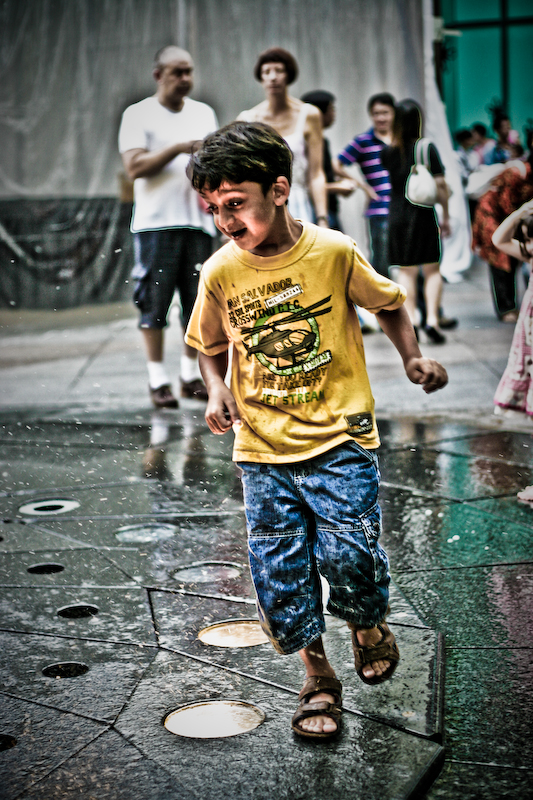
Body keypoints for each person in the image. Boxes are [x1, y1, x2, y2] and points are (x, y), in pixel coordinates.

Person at [184, 121, 448, 739]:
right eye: (213, 209)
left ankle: (366, 623)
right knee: (279, 567)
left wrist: (411, 358)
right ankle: (318, 677)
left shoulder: (331, 251)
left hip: (340, 439)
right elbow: (208, 345)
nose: (224, 220)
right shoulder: (221, 271)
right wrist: (217, 387)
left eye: (235, 205)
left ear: (278, 189)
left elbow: (388, 303)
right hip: (263, 447)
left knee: (348, 551)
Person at [118, 45, 219, 408]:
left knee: (198, 306)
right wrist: (178, 147)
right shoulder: (138, 114)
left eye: (189, 71)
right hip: (155, 224)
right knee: (154, 302)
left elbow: (214, 163)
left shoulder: (204, 112)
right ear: (158, 74)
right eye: (177, 72)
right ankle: (157, 379)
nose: (185, 79)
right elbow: (134, 168)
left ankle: (190, 375)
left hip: (198, 222)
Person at [381, 99, 451, 344]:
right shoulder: (427, 148)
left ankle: (411, 322)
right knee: (432, 270)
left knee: (406, 272)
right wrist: (447, 215)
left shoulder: (388, 151)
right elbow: (441, 186)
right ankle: (432, 319)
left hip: (397, 216)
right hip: (422, 215)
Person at [237, 48, 328, 226]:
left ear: (288, 75)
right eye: (266, 72)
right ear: (261, 78)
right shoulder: (247, 119)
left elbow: (316, 173)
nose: (273, 77)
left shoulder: (309, 114)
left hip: (298, 201)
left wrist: (322, 217)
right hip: (260, 204)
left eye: (279, 70)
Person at [336, 93, 395, 278]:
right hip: (379, 211)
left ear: (394, 113)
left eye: (385, 112)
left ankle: (420, 306)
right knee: (381, 263)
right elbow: (335, 164)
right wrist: (363, 186)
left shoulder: (401, 139)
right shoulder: (363, 141)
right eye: (376, 113)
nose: (381, 118)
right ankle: (386, 307)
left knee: (413, 264)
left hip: (405, 208)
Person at [471, 152, 533, 323]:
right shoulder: (517, 173)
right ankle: (506, 308)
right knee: (501, 260)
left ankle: (514, 305)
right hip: (493, 217)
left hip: (512, 219)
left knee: (514, 260)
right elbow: (507, 205)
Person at [492, 200, 533, 420]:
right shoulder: (530, 256)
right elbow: (499, 239)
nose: (530, 245)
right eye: (527, 240)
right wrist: (520, 212)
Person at [299, 90, 358, 230]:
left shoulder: (322, 141)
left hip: (329, 210)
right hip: (317, 212)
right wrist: (337, 187)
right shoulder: (305, 144)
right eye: (331, 109)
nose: (334, 114)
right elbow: (306, 185)